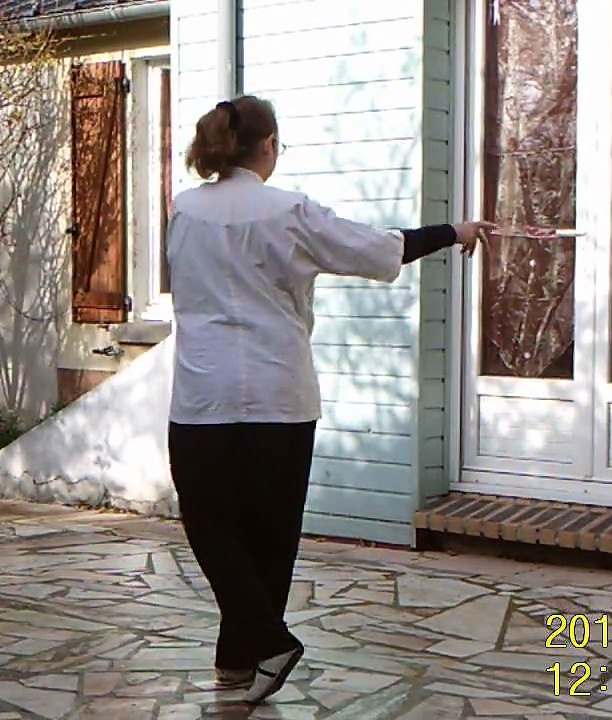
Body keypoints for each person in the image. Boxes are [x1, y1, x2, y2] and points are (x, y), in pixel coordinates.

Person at [165, 95, 493, 705]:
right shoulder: (289, 211)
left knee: (209, 522)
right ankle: (267, 641)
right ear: (268, 146)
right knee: (270, 532)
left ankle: (239, 657)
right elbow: (379, 248)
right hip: (279, 396)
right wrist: (454, 232)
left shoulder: (183, 210)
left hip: (201, 395)